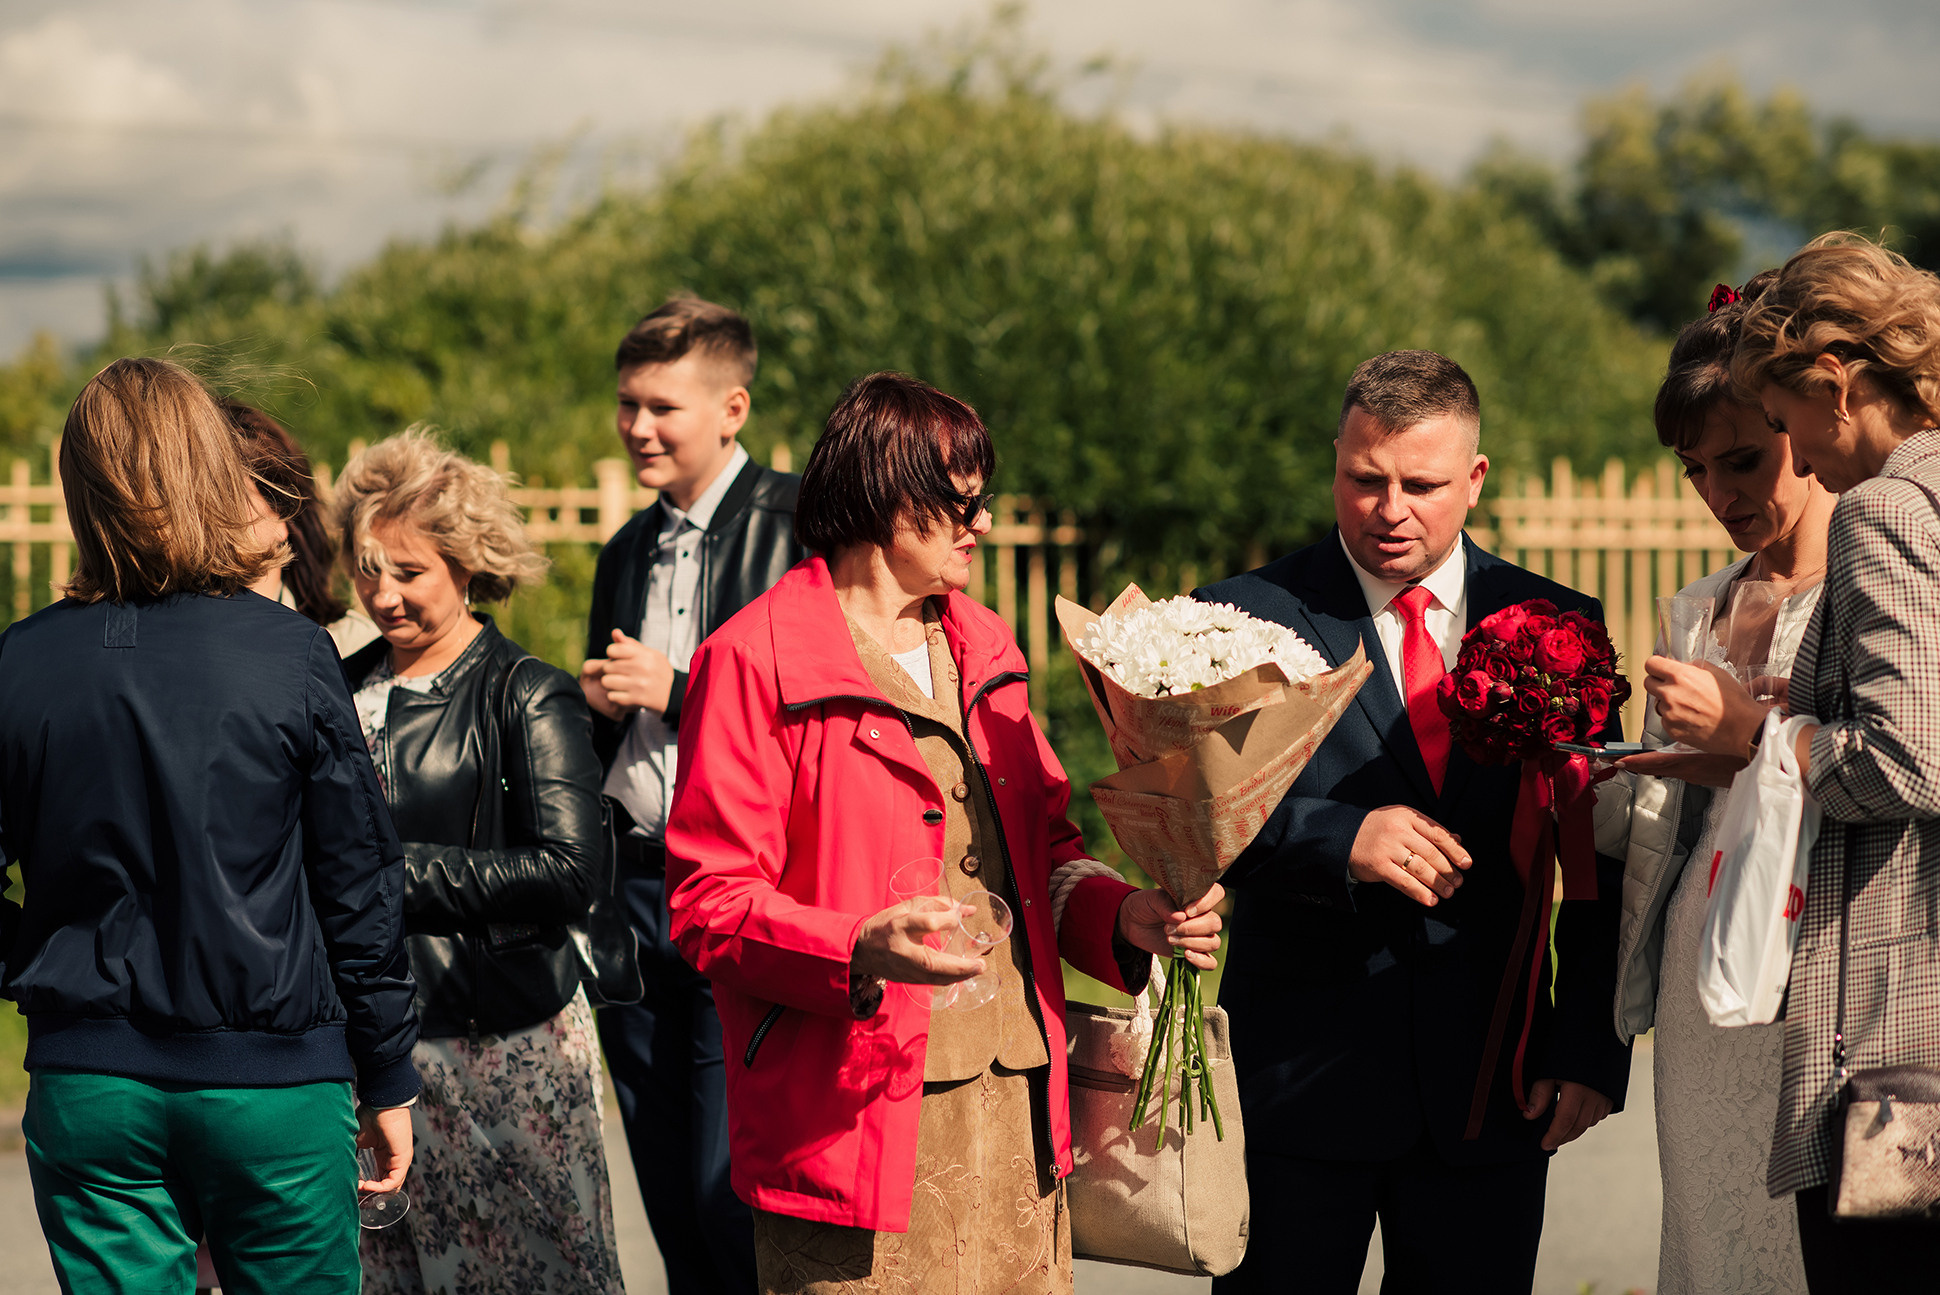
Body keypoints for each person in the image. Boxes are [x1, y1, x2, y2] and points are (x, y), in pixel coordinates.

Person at [663, 371, 1224, 1294]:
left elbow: (1047, 854)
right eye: (963, 503)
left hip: (1018, 1106)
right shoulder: (752, 659)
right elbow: (707, 905)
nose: (984, 523)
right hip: (850, 1117)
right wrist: (855, 944)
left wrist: (1126, 918)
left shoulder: (987, 644)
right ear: (889, 497)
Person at [1194, 350, 1633, 1295]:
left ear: (1474, 478)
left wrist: (1590, 1046)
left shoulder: (1560, 624)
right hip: (1296, 1088)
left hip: (1491, 1084)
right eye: (1366, 479)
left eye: (1421, 485)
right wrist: (1337, 839)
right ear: (1336, 464)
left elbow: (1604, 855)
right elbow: (1193, 819)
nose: (1390, 509)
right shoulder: (1239, 616)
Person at [0, 357, 419, 1294]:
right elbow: (357, 880)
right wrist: (388, 1068)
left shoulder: (20, 661)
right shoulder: (291, 653)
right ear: (208, 471)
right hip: (272, 1085)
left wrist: (42, 957)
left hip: (90, 1081)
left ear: (80, 486)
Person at [1645, 233, 1940, 1293]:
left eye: (1781, 427)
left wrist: (1766, 741)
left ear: (1835, 384)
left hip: (1891, 1029)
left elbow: (1911, 761)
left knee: (1877, 1266)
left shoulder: (1887, 507)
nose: (1802, 462)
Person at [336, 430, 623, 1295]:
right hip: (372, 1051)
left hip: (502, 1047)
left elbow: (572, 869)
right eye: (367, 569)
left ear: (466, 563)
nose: (383, 594)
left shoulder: (526, 690)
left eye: (409, 570)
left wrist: (392, 877)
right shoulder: (334, 686)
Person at [1598, 277, 1831, 1294]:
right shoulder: (1694, 607)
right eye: (1695, 469)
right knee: (1709, 1236)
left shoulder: (1874, 589)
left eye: (1742, 460)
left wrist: (1749, 741)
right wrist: (1590, 773)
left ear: (1802, 428)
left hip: (1818, 957)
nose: (1717, 494)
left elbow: (1901, 769)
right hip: (1700, 969)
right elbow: (1665, 818)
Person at [580, 295, 804, 1294]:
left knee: (728, 1193)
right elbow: (617, 724)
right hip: (631, 893)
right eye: (628, 403)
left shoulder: (803, 528)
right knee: (667, 1194)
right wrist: (590, 707)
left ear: (732, 408)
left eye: (661, 406)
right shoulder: (623, 548)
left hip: (742, 889)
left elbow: (822, 713)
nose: (637, 426)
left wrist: (676, 690)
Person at [223, 400, 380, 656]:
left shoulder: (353, 649)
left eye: (227, 497)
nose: (207, 515)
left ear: (281, 514)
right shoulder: (167, 639)